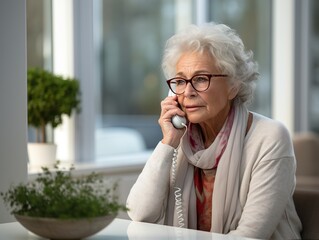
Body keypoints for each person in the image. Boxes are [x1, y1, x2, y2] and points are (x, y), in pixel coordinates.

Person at [126, 22, 302, 240]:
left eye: (200, 79)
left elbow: (250, 236)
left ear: (233, 86)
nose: (187, 92)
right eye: (180, 81)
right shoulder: (182, 136)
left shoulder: (270, 137)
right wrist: (168, 143)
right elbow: (139, 214)